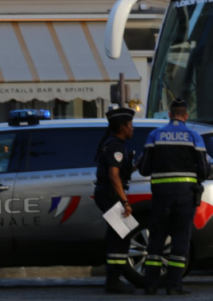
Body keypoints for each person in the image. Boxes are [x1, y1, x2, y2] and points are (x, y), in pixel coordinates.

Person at [139, 98, 209, 296]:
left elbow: (144, 169)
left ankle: (151, 285)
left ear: (169, 115)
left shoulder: (154, 135)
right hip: (185, 196)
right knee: (180, 239)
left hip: (161, 196)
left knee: (156, 239)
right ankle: (174, 285)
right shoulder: (194, 137)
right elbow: (204, 171)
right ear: (186, 116)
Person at [93, 107, 138, 294]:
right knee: (122, 234)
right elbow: (114, 176)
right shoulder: (116, 146)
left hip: (106, 193)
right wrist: (125, 202)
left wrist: (138, 165)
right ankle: (113, 280)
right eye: (131, 125)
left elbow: (121, 172)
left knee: (119, 233)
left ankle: (113, 278)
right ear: (124, 127)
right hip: (110, 194)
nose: (133, 129)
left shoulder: (113, 143)